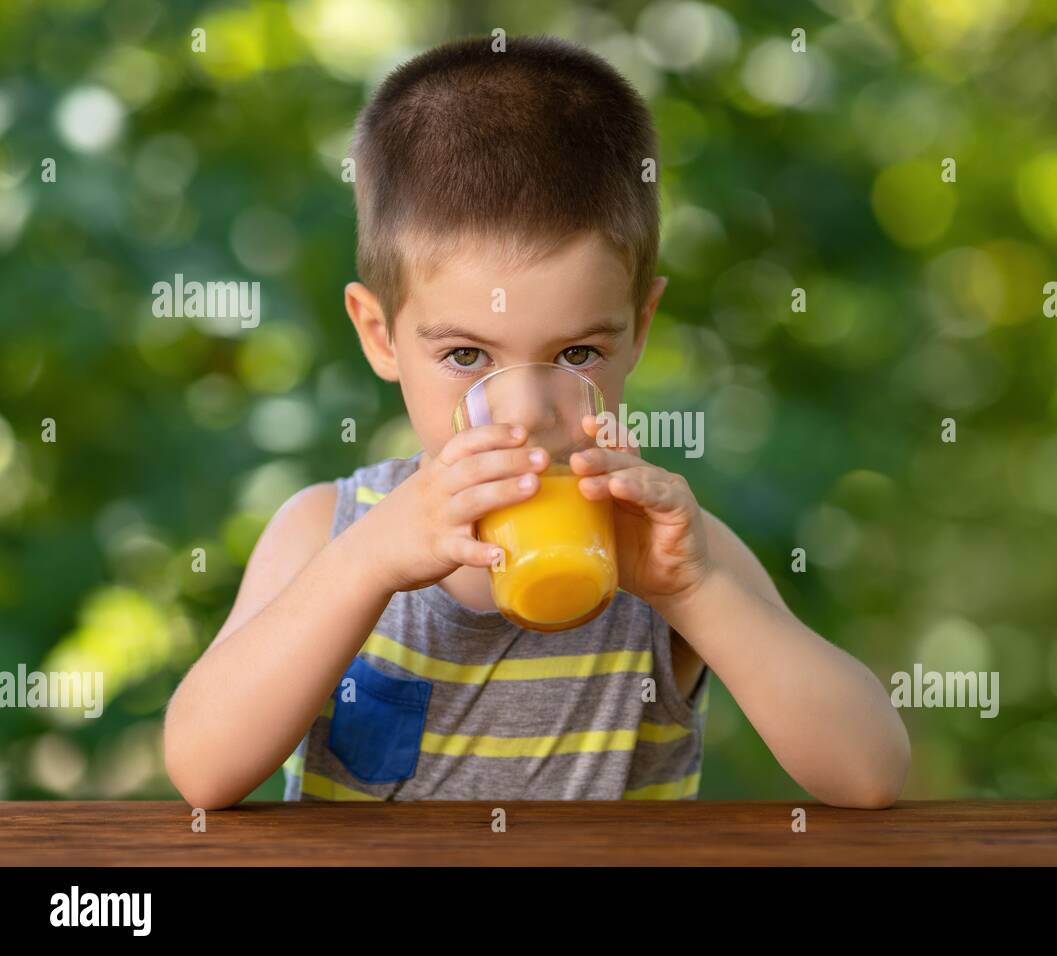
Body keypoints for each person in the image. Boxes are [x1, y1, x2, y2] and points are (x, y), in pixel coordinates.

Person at [163, 35, 910, 808]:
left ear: (639, 326)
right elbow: (202, 769)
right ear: (380, 334)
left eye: (578, 352)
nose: (524, 413)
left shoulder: (673, 549)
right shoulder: (327, 531)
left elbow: (869, 773)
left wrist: (693, 592)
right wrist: (368, 564)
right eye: (465, 356)